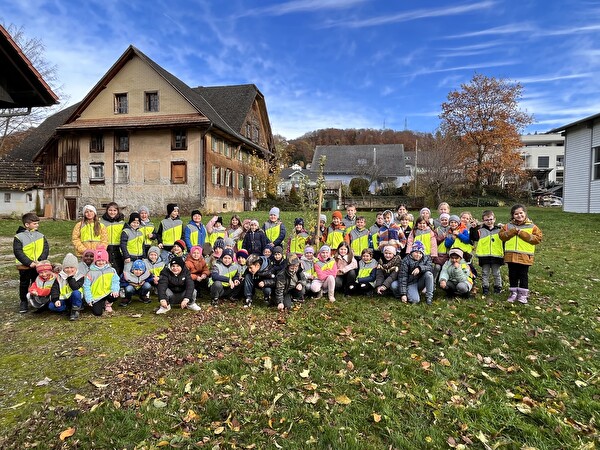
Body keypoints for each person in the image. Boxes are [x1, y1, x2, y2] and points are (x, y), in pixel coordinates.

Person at [498, 204, 543, 304]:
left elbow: (537, 239)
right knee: (512, 274)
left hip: (525, 256)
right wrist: (512, 232)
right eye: (516, 214)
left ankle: (523, 294)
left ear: (525, 213)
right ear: (513, 215)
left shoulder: (532, 226)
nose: (519, 215)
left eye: (521, 213)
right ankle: (513, 293)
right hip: (511, 256)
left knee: (523, 275)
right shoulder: (508, 226)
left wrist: (522, 233)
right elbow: (501, 236)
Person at [14, 212, 49, 313]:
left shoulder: (41, 236)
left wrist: (40, 261)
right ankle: (24, 301)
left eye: (37, 223)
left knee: (37, 282)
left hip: (38, 266)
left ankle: (36, 300)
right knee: (24, 284)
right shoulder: (19, 237)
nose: (37, 225)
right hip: (24, 266)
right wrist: (29, 262)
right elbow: (18, 252)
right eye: (35, 223)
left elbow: (45, 248)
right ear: (27, 225)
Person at [472, 210, 504, 295]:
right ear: (483, 221)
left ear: (494, 219)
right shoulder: (480, 231)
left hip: (496, 255)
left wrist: (505, 228)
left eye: (491, 219)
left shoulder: (499, 230)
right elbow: (474, 237)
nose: (489, 221)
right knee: (485, 273)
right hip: (484, 256)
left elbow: (506, 239)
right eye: (486, 220)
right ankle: (485, 287)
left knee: (496, 273)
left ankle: (498, 287)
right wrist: (473, 228)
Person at [83, 247, 120, 316]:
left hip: (108, 292)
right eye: (98, 260)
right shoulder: (90, 272)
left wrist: (115, 290)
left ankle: (108, 304)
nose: (101, 262)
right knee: (97, 313)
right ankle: (100, 303)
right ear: (95, 261)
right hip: (96, 296)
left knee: (116, 295)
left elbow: (115, 281)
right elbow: (86, 286)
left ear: (106, 261)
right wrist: (89, 298)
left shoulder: (111, 270)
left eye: (103, 260)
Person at [50, 253, 84, 320]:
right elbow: (55, 289)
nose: (69, 270)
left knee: (76, 293)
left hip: (74, 297)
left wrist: (70, 278)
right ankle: (67, 308)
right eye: (67, 268)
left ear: (76, 267)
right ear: (63, 268)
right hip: (63, 298)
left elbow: (75, 287)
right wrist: (56, 299)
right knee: (51, 306)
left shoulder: (80, 276)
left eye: (72, 267)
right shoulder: (59, 276)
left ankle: (75, 310)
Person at [100, 202, 125, 274]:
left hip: (118, 247)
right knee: (106, 265)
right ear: (107, 211)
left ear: (117, 211)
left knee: (118, 265)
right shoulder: (101, 222)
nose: (112, 212)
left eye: (114, 210)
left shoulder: (122, 223)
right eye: (110, 210)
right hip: (106, 247)